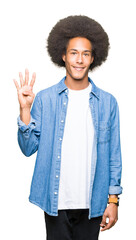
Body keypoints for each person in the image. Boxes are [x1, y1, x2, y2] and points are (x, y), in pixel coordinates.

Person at [13, 15, 122, 240]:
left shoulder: (108, 102)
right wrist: (25, 110)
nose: (79, 60)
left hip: (94, 202)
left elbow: (114, 155)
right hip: (55, 202)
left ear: (93, 58)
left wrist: (113, 200)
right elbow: (28, 148)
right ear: (63, 56)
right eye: (74, 53)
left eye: (85, 54)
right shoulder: (45, 99)